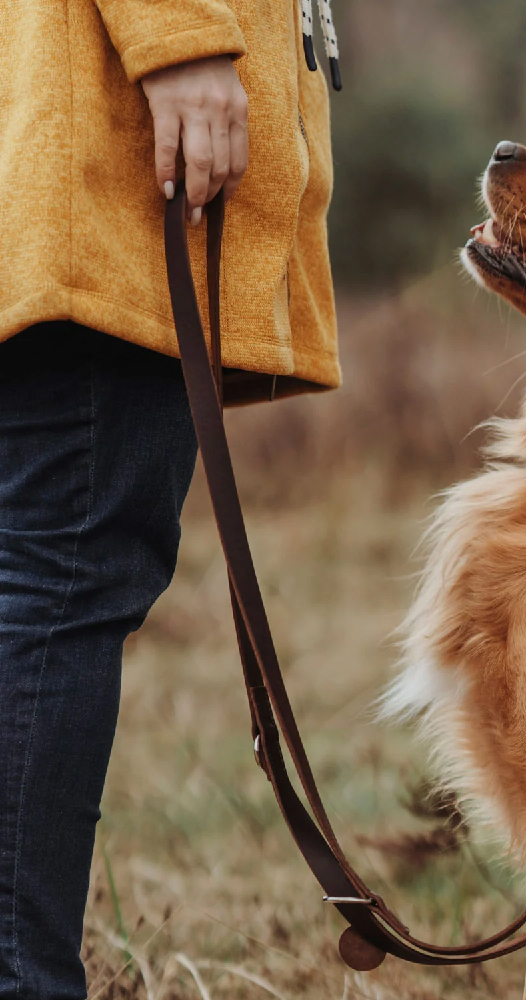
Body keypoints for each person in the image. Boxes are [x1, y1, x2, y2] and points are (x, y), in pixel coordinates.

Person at [0, 3, 340, 997]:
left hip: (92, 181)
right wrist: (182, 36)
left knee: (53, 574)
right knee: (62, 580)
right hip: (107, 184)